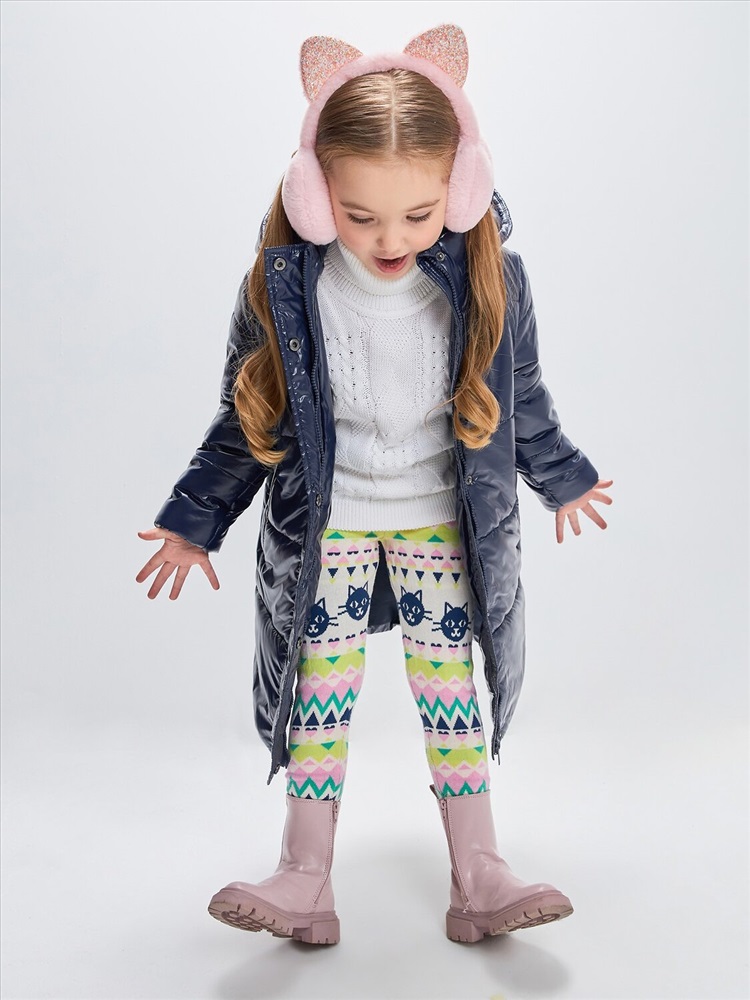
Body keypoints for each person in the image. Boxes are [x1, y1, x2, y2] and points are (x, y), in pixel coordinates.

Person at [136, 24, 613, 947]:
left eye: (420, 214)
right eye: (360, 217)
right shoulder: (286, 289)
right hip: (330, 530)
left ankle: (480, 871)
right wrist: (194, 519)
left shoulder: (490, 279)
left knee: (451, 693)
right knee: (319, 690)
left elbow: (520, 398)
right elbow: (247, 416)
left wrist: (565, 478)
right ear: (315, 197)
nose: (391, 239)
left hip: (441, 525)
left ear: (462, 189)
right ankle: (303, 875)